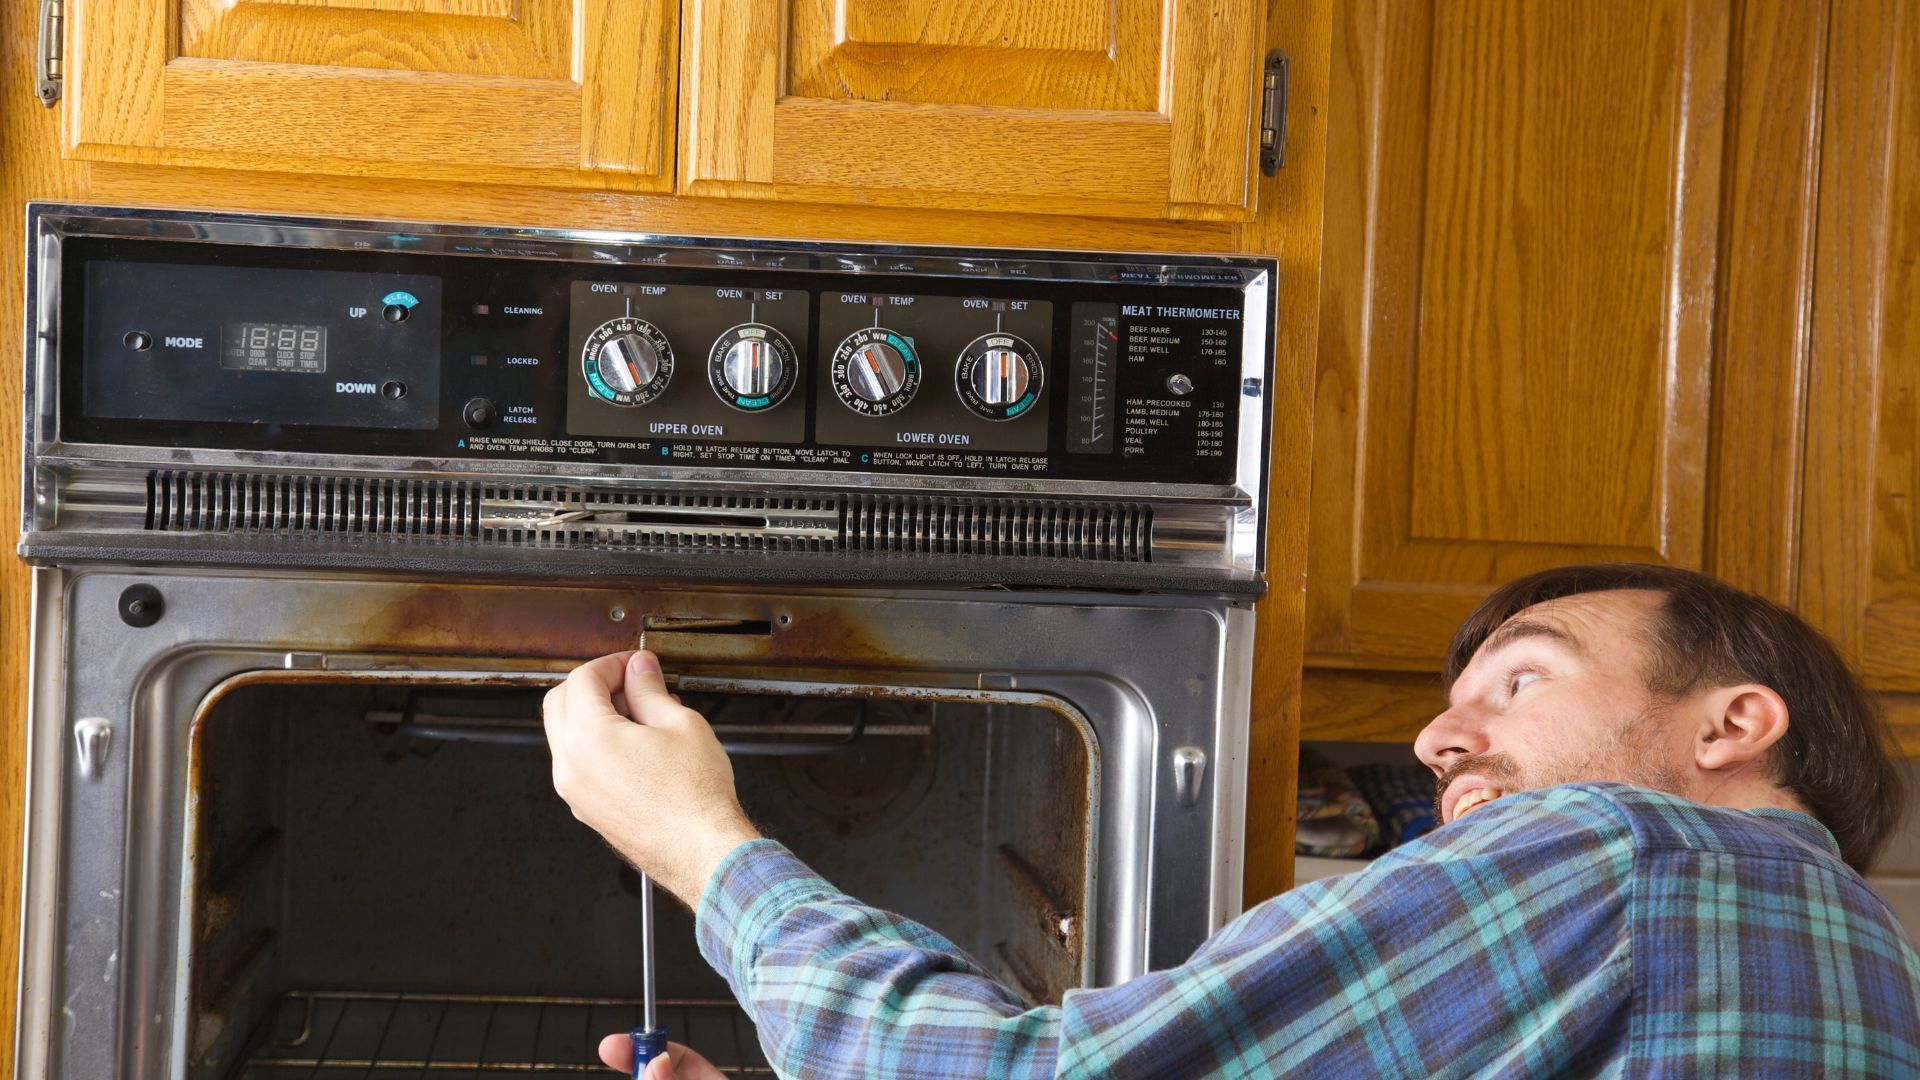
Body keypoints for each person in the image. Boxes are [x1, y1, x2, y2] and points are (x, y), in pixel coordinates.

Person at [543, 563, 1920, 1078]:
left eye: (1521, 678)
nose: (1442, 738)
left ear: (1732, 726)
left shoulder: (1628, 854)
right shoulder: (1858, 954)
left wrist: (696, 844)